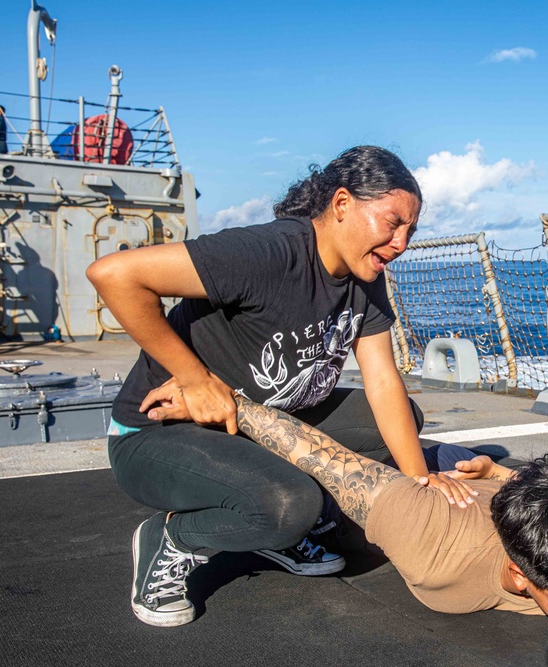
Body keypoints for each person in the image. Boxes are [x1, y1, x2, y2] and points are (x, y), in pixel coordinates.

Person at [87, 146, 481, 627]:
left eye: (410, 231)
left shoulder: (364, 273)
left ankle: (281, 529)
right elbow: (113, 275)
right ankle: (172, 538)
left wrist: (420, 481)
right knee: (289, 504)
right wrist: (196, 379)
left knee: (401, 426)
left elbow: (381, 379)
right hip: (157, 435)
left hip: (256, 425)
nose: (401, 243)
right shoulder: (268, 254)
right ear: (341, 205)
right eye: (392, 223)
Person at [137, 393, 548, 624]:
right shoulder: (433, 542)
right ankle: (175, 537)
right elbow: (324, 458)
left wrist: (494, 474)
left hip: (476, 478)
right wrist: (231, 404)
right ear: (516, 572)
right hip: (426, 494)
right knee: (296, 503)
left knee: (469, 466)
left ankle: (453, 461)